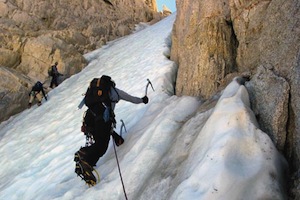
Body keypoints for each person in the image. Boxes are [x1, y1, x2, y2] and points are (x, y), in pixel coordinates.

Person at [74, 75, 148, 185]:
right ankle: (86, 162)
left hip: (89, 117)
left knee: (99, 143)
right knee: (102, 146)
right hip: (101, 118)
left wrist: (114, 135)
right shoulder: (115, 92)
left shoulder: (94, 93)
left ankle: (84, 153)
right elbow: (131, 98)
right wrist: (142, 100)